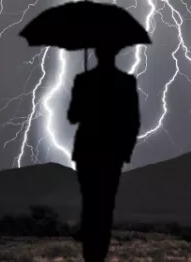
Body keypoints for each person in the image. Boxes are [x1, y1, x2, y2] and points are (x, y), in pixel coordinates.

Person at [67, 44, 140, 262]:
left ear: (96, 54)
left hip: (87, 150)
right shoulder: (127, 82)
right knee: (106, 206)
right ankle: (98, 255)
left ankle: (90, 254)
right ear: (115, 53)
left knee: (90, 203)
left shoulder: (83, 80)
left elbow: (72, 116)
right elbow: (134, 121)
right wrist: (125, 151)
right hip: (112, 153)